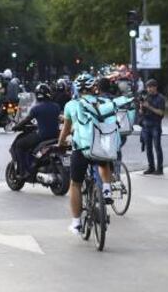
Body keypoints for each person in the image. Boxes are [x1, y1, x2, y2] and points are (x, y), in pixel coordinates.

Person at [58, 74, 114, 235]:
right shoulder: (104, 102)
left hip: (81, 149)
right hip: (100, 146)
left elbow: (66, 128)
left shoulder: (71, 105)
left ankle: (76, 223)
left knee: (75, 184)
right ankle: (107, 189)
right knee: (104, 161)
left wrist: (61, 142)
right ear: (93, 88)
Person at [12, 83, 61, 179]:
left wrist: (16, 127)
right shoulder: (56, 106)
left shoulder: (36, 108)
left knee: (19, 145)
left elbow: (26, 120)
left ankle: (23, 172)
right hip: (55, 136)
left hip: (42, 136)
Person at [140, 79, 165, 175]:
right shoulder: (146, 97)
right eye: (147, 87)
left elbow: (161, 113)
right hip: (146, 125)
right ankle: (151, 167)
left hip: (155, 125)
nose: (149, 89)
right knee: (148, 148)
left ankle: (160, 168)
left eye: (150, 87)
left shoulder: (160, 98)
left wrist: (149, 106)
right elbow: (141, 112)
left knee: (157, 147)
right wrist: (142, 107)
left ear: (155, 87)